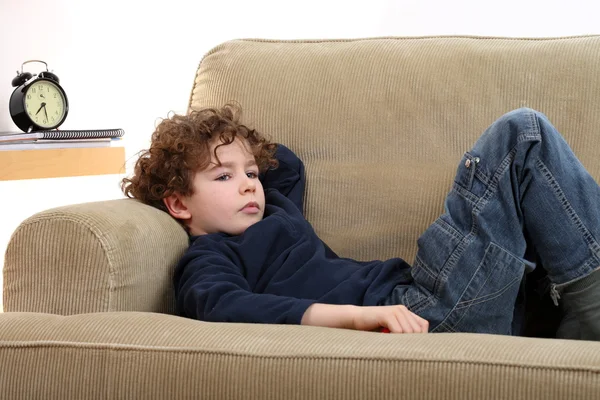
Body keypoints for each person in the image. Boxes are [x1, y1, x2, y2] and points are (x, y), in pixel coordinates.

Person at [121, 103, 600, 340]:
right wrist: (359, 317)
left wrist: (224, 146)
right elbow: (225, 309)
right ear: (179, 204)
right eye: (222, 177)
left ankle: (576, 315)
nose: (248, 185)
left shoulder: (275, 208)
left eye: (249, 173)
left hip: (436, 294)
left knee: (531, 177)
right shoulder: (211, 258)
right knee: (521, 134)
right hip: (422, 309)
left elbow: (283, 164)